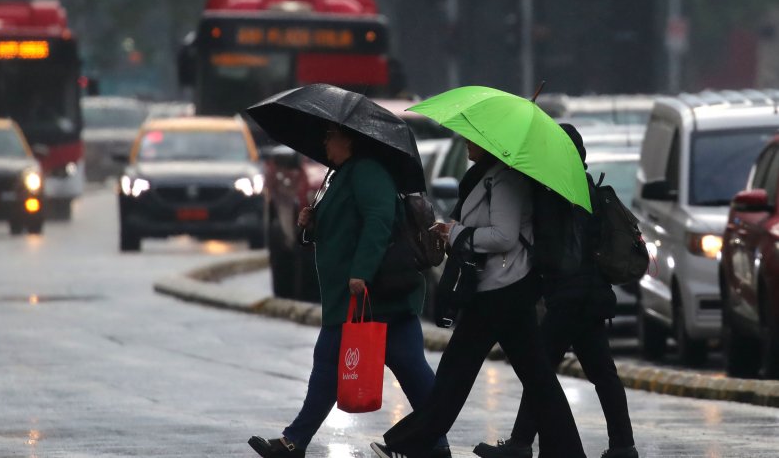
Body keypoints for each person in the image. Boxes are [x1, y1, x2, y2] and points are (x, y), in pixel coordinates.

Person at [371, 139, 586, 458]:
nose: (467, 144)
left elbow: (504, 235)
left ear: (490, 143)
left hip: (500, 290)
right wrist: (453, 231)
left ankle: (410, 446)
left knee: (455, 376)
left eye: (473, 139)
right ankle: (569, 452)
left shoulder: (505, 179)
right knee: (537, 378)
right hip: (501, 289)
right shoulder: (488, 176)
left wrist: (457, 234)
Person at [248, 125, 450, 458]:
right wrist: (313, 224)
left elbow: (379, 220)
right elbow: (347, 222)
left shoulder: (368, 172)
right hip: (369, 295)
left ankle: (293, 442)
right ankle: (436, 444)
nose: (325, 141)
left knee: (334, 362)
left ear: (350, 140)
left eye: (331, 136)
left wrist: (361, 272)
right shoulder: (343, 173)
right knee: (409, 366)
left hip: (371, 291)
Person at [474, 124, 637, 458]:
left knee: (540, 371)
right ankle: (623, 445)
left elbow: (551, 250)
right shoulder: (584, 186)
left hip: (567, 297)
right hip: (589, 294)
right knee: (602, 373)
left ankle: (520, 444)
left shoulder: (554, 193)